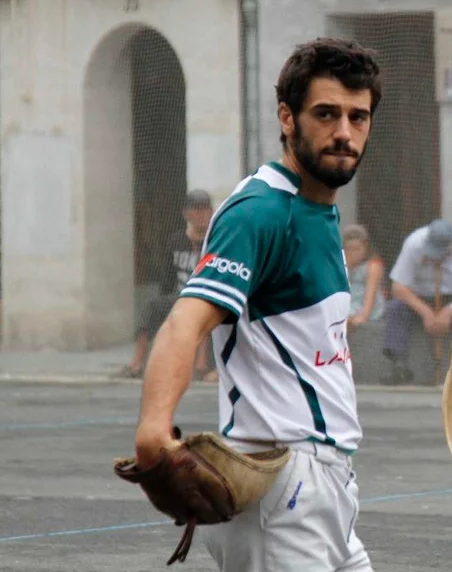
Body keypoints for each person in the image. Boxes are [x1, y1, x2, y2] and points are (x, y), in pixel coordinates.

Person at [130, 37, 382, 571]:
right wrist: (154, 428)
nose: (344, 131)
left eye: (357, 117)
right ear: (287, 118)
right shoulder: (260, 212)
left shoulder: (319, 210)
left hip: (329, 485)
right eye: (326, 114)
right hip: (282, 488)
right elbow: (185, 322)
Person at [119, 189, 214, 380]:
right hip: (181, 295)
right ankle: (137, 362)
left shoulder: (216, 241)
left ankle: (201, 365)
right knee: (152, 306)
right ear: (187, 214)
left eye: (205, 210)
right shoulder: (176, 241)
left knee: (204, 308)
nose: (201, 215)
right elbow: (168, 278)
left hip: (207, 296)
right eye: (196, 210)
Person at [382, 218, 452, 385]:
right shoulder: (414, 243)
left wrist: (450, 310)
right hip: (420, 296)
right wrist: (426, 312)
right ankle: (399, 366)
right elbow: (398, 287)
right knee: (395, 308)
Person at [342, 223, 386, 332]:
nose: (353, 253)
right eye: (349, 249)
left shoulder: (373, 265)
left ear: (365, 248)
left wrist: (362, 316)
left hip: (366, 307)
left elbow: (370, 296)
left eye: (357, 249)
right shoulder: (340, 265)